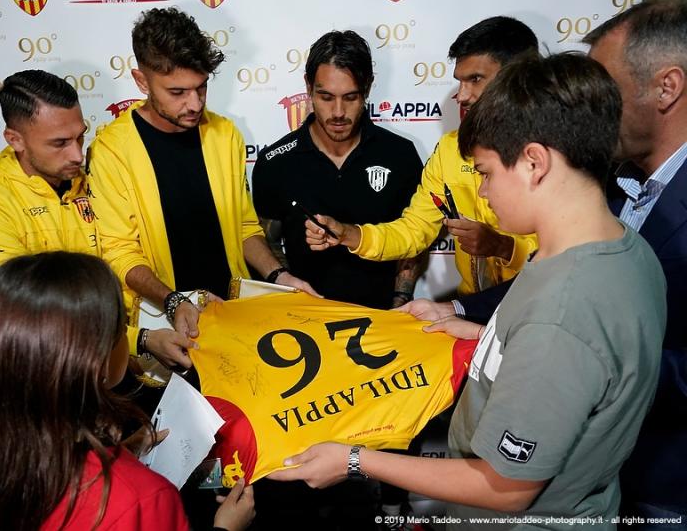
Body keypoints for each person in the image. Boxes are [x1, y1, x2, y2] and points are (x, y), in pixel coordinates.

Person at [271, 53, 667, 530]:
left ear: (534, 163)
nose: (481, 193)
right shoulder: (625, 250)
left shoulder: (560, 315)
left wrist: (354, 460)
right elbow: (569, 370)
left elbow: (503, 487)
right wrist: (481, 334)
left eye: (485, 173)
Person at [0, 251, 255, 530]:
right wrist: (225, 527)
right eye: (121, 328)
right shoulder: (143, 499)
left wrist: (121, 450)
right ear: (98, 361)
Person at [87, 6, 316, 353]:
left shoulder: (225, 134)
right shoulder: (111, 150)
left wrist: (278, 277)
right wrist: (173, 301)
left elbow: (244, 228)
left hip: (234, 322)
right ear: (141, 81)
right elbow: (119, 252)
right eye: (177, 92)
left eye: (201, 87)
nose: (194, 103)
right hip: (165, 333)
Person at [0, 69, 188, 370]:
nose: (77, 155)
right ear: (15, 139)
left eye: (80, 136)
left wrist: (173, 301)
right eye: (60, 143)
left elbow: (123, 251)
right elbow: (34, 312)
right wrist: (139, 340)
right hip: (61, 373)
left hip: (133, 359)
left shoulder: (91, 177)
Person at [304, 17, 538, 297]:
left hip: (539, 305)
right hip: (473, 309)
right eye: (459, 82)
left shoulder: (556, 149)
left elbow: (569, 256)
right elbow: (414, 231)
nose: (462, 96)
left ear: (518, 78)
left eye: (475, 79)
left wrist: (504, 247)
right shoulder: (450, 149)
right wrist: (349, 234)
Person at [584, 1, 687, 525]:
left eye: (604, 94)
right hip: (601, 479)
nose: (590, 114)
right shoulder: (610, 182)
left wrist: (597, 372)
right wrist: (462, 310)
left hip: (669, 488)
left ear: (666, 88)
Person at [253, 30, 424, 310]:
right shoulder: (275, 162)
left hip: (382, 318)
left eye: (350, 97)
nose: (338, 112)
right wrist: (286, 288)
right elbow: (266, 240)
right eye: (326, 97)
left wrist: (399, 301)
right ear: (308, 86)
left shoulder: (400, 155)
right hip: (301, 320)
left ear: (368, 87)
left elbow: (414, 239)